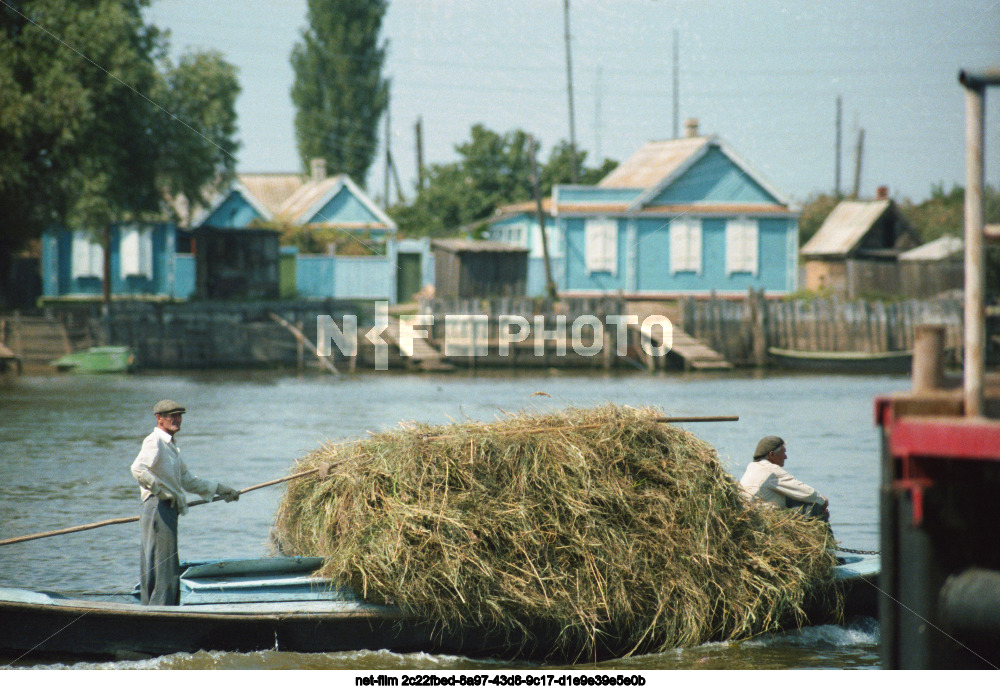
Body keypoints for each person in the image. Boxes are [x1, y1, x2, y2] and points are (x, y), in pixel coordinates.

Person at [130, 400, 240, 605]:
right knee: (163, 564)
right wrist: (160, 491)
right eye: (171, 416)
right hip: (158, 507)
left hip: (167, 509)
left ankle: (154, 608)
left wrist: (220, 489)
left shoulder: (171, 447)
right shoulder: (155, 441)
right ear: (159, 419)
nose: (176, 419)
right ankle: (160, 612)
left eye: (179, 415)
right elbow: (137, 469)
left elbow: (188, 480)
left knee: (162, 562)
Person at [739, 435, 829, 521]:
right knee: (814, 507)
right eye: (783, 453)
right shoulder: (771, 470)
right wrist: (822, 501)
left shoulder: (751, 467)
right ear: (772, 455)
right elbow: (806, 492)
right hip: (763, 517)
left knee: (791, 497)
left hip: (749, 513)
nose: (786, 457)